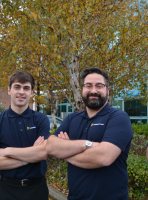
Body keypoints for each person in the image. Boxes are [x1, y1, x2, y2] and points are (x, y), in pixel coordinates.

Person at [46, 67, 133, 200]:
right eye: (88, 86)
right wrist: (88, 144)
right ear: (82, 90)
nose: (93, 91)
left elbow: (104, 157)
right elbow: (51, 145)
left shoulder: (119, 117)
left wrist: (65, 152)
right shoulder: (72, 118)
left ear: (107, 91)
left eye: (99, 86)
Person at [0, 70, 50, 200]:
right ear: (9, 90)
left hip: (36, 189)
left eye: (26, 88)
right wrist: (29, 158)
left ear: (31, 93)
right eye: (17, 87)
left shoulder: (41, 119)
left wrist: (7, 151)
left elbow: (43, 153)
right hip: (5, 190)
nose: (21, 92)